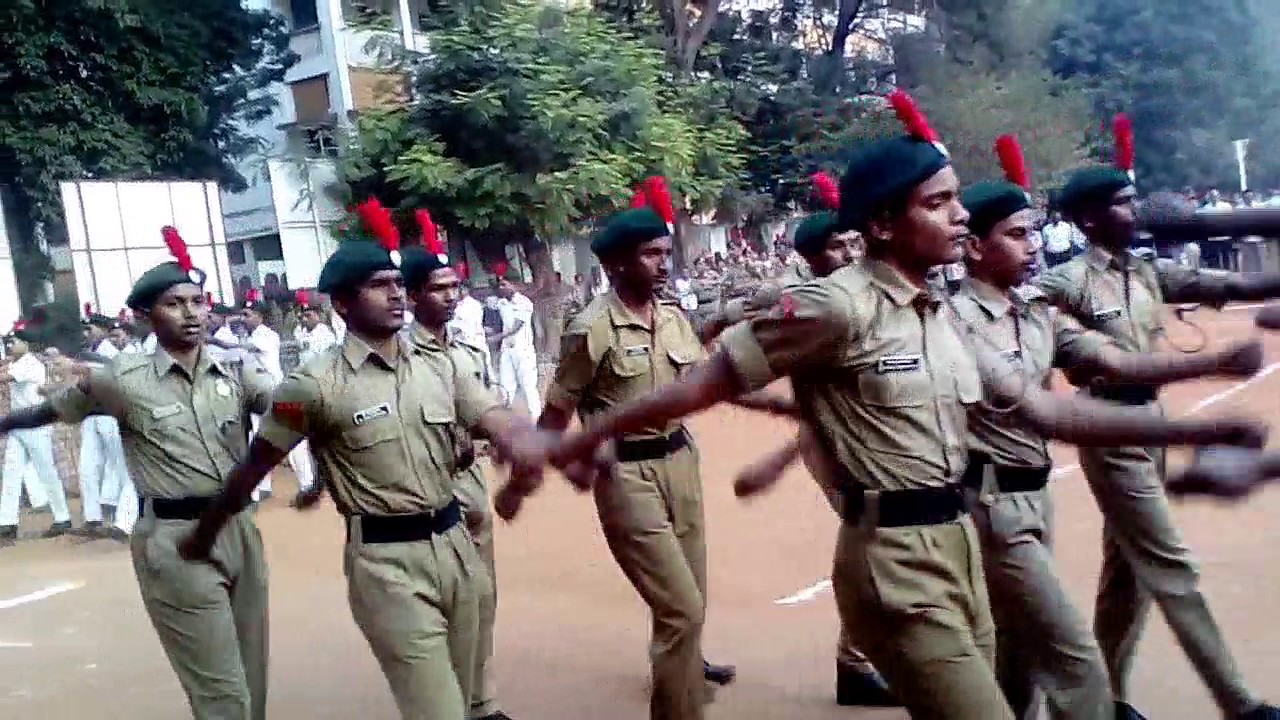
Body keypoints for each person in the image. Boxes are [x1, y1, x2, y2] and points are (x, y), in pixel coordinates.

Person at [515, 92, 1271, 720]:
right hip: (893, 562)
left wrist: (1202, 425)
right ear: (881, 224)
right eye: (939, 204)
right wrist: (568, 443)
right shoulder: (833, 307)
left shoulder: (937, 311)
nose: (961, 217)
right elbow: (701, 384)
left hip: (960, 543)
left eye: (957, 202)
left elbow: (1047, 414)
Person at [180, 200, 566, 720]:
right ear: (342, 304)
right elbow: (256, 464)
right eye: (379, 285)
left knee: (469, 698)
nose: (396, 294)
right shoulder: (311, 385)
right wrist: (207, 531)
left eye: (398, 284)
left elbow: (495, 416)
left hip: (456, 548)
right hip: (387, 566)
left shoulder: (441, 364)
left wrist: (530, 442)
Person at [955, 138, 1266, 720]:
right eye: (1019, 235)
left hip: (1064, 469)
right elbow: (1053, 411)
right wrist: (1207, 409)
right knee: (1088, 640)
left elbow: (1118, 358)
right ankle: (1239, 704)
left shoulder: (1081, 294)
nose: (1033, 246)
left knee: (1088, 601)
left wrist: (1211, 366)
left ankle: (1105, 698)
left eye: (1031, 233)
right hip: (1061, 457)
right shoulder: (993, 308)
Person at [1039, 118, 1280, 720]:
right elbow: (1037, 328)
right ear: (1089, 219)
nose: (1136, 211)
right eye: (1123, 203)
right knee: (1171, 566)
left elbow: (1225, 281)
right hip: (1109, 428)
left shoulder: (1143, 270)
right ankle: (1241, 704)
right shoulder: (1064, 281)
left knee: (1127, 572)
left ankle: (1103, 700)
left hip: (1151, 423)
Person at [526, 177, 793, 720]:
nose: (664, 264)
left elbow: (702, 383)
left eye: (665, 253)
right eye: (651, 255)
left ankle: (684, 675)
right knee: (682, 608)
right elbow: (554, 416)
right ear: (617, 264)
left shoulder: (671, 318)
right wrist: (562, 460)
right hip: (626, 476)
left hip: (681, 461)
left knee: (688, 597)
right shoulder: (591, 329)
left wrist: (777, 405)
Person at [0, 228, 277, 717]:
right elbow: (52, 410)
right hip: (176, 539)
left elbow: (290, 409)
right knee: (223, 695)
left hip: (239, 531)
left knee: (252, 682)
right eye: (175, 304)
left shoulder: (234, 370)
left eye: (198, 301)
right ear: (147, 316)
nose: (192, 313)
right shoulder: (121, 380)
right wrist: (3, 424)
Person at [698, 176, 897, 707]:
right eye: (838, 246)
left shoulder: (864, 288)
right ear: (812, 257)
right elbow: (723, 333)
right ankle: (857, 663)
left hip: (870, 431)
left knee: (883, 539)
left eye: (852, 242)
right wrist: (778, 417)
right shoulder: (799, 298)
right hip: (837, 440)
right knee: (881, 536)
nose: (850, 253)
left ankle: (860, 660)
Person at [401, 232, 513, 720]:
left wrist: (496, 441)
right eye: (438, 288)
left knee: (482, 595)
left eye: (454, 286)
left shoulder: (466, 350)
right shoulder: (401, 356)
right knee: (444, 600)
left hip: (469, 482)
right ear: (412, 296)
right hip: (427, 487)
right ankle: (451, 700)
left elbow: (483, 410)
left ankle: (481, 700)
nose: (450, 296)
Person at [0, 321, 72, 543]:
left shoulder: (29, 363)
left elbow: (3, 378)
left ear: (27, 344)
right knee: (11, 472)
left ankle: (62, 518)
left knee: (46, 471)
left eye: (16, 341)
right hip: (19, 423)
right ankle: (7, 523)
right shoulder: (18, 362)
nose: (11, 345)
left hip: (36, 424)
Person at [76, 309, 133, 541]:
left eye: (90, 328)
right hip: (91, 415)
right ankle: (93, 519)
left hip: (111, 415)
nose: (86, 333)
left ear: (103, 330)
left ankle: (125, 523)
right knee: (87, 469)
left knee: (124, 469)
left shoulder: (113, 353)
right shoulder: (89, 351)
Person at [288, 290, 335, 495]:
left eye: (309, 315)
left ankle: (327, 479)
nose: (305, 318)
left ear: (318, 315)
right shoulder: (299, 332)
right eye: (302, 315)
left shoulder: (326, 335)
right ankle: (308, 484)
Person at [240, 291, 281, 502]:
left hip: (274, 389)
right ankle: (261, 487)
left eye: (247, 315)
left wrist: (216, 340)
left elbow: (243, 348)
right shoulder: (249, 335)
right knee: (257, 439)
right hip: (256, 392)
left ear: (259, 316)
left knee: (293, 440)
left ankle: (307, 482)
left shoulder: (267, 335)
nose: (243, 319)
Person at [493, 269, 541, 419]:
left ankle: (536, 420)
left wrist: (496, 337)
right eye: (500, 285)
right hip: (506, 349)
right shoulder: (501, 303)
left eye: (504, 284)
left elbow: (516, 327)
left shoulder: (524, 303)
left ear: (514, 285)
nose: (501, 288)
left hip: (523, 350)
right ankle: (509, 420)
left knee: (528, 387)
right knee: (506, 385)